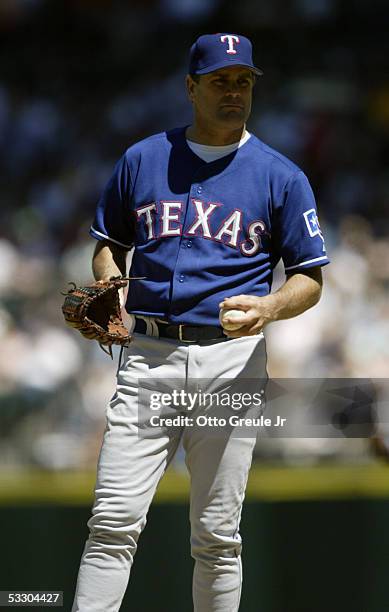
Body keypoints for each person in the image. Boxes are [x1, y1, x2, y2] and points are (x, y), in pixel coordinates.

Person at [71, 33, 329, 612]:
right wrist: (111, 287)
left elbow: (309, 279)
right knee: (112, 520)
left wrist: (267, 307)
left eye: (243, 82)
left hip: (230, 362)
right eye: (220, 81)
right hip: (147, 355)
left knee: (217, 536)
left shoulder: (280, 175)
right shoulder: (142, 159)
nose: (234, 92)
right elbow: (109, 244)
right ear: (191, 88)